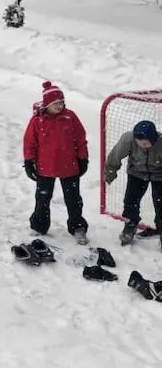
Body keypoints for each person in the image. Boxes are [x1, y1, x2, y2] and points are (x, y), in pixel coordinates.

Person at [23, 80, 89, 243]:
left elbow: (80, 139)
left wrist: (83, 158)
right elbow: (29, 142)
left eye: (62, 102)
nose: (60, 106)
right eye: (56, 103)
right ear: (47, 104)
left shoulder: (70, 117)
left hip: (69, 167)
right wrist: (29, 161)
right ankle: (39, 226)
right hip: (46, 167)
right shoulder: (37, 120)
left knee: (73, 199)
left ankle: (78, 227)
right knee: (42, 199)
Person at [104, 120, 162, 246]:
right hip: (137, 172)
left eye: (146, 143)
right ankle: (130, 225)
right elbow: (115, 155)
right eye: (139, 143)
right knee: (130, 201)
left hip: (159, 174)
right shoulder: (128, 139)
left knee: (160, 203)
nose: (142, 145)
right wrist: (110, 171)